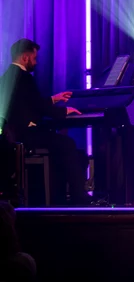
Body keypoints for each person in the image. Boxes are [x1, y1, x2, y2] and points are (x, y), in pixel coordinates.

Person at [0, 39, 89, 205]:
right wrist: (65, 111)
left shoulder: (8, 76)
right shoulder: (24, 77)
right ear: (25, 57)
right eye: (34, 58)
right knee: (67, 144)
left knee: (64, 146)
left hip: (15, 135)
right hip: (26, 135)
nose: (36, 62)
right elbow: (39, 107)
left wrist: (54, 99)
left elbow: (30, 103)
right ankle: (78, 196)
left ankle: (62, 196)